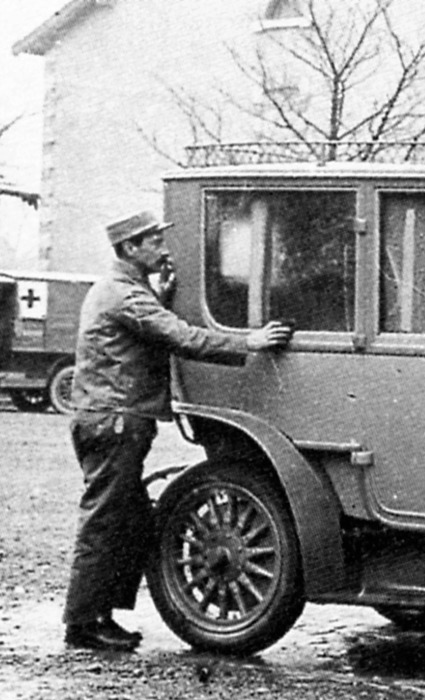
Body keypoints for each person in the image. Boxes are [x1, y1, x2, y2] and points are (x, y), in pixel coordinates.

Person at [62, 210, 292, 652]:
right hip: (116, 422)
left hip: (114, 419)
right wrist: (250, 342)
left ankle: (96, 618)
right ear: (130, 249)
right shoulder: (124, 295)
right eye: (152, 241)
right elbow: (182, 337)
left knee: (125, 519)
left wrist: (162, 296)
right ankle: (82, 623)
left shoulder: (125, 290)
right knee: (106, 520)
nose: (162, 248)